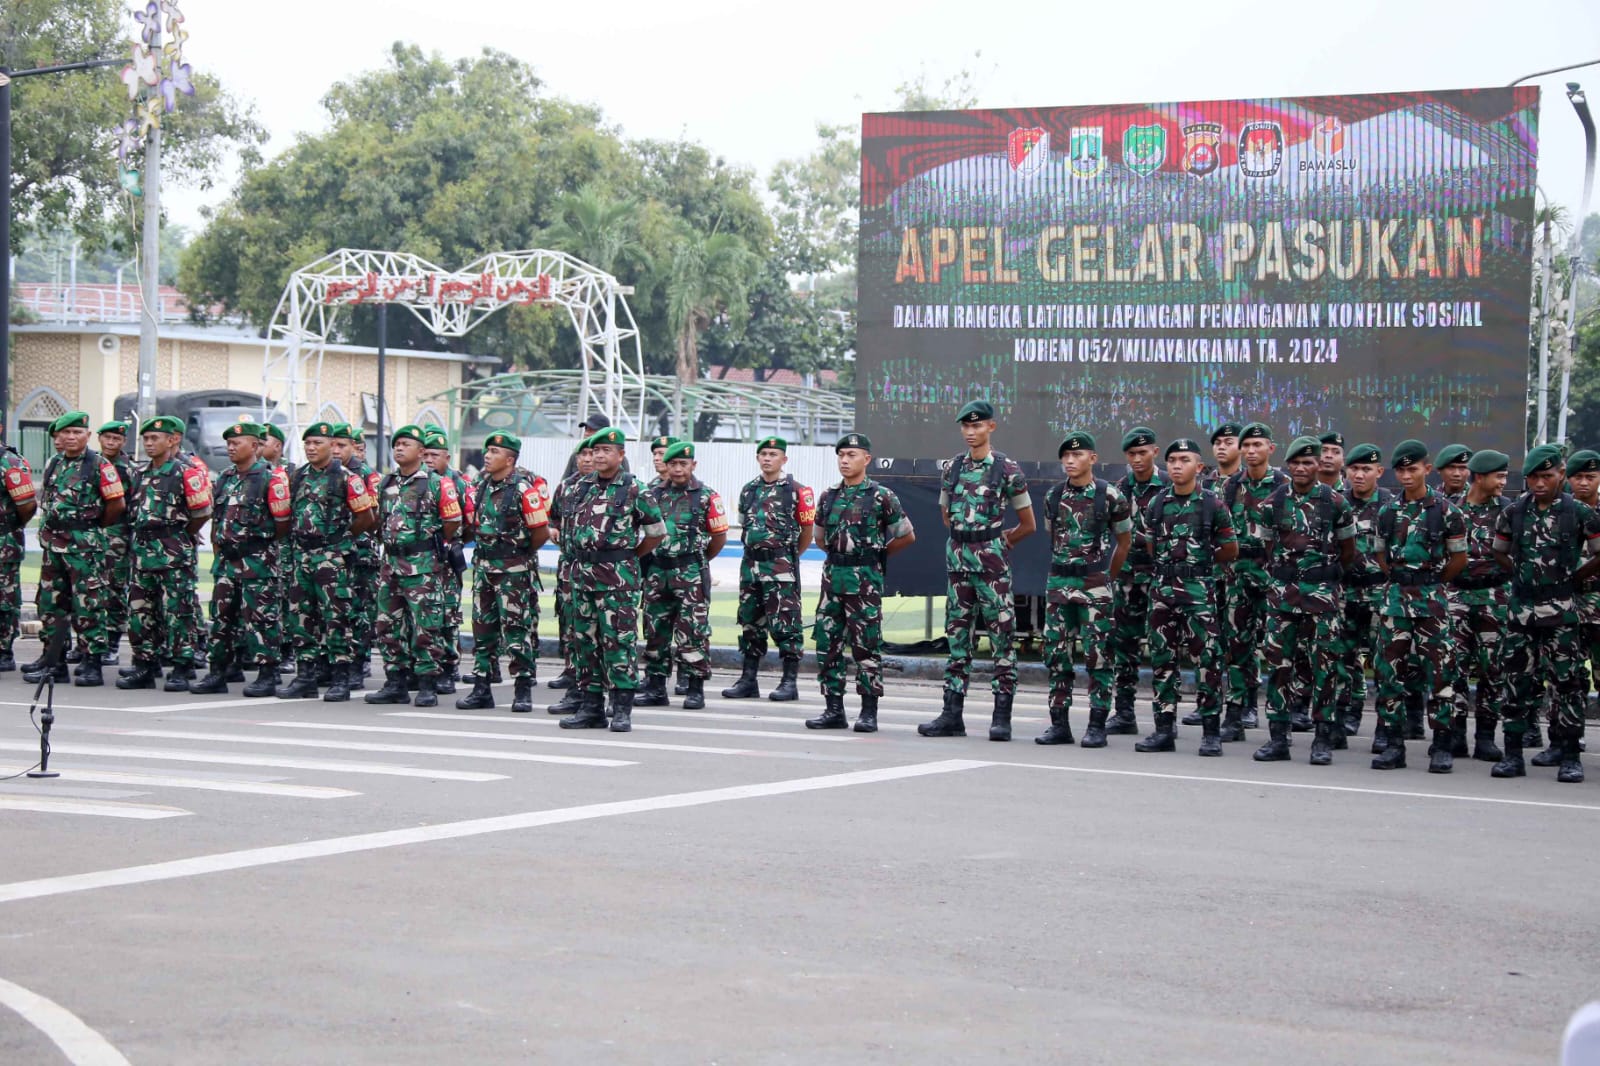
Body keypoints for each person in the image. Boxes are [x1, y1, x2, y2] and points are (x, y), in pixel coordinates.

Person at [920, 400, 1034, 741]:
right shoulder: (952, 467)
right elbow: (946, 515)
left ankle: (1002, 717)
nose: (971, 432)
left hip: (992, 568)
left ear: (991, 428)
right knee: (958, 638)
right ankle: (952, 714)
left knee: (1002, 639)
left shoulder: (1006, 469)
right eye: (966, 427)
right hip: (957, 564)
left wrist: (999, 541)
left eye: (978, 426)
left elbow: (1028, 523)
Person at [1489, 445, 1600, 782]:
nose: (1540, 483)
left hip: (1563, 613)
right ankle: (1512, 755)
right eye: (1534, 477)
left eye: (1547, 477)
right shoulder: (1513, 512)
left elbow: (1598, 552)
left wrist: (1573, 579)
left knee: (1568, 683)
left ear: (1560, 476)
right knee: (1516, 682)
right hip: (1522, 613)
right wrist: (1522, 576)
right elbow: (1499, 551)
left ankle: (1569, 756)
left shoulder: (1579, 513)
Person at [555, 426, 664, 732]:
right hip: (582, 577)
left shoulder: (634, 489)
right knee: (584, 642)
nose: (599, 456)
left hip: (617, 580)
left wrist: (629, 557)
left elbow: (656, 533)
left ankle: (621, 708)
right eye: (594, 451)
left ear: (620, 455)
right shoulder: (578, 488)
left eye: (606, 450)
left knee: (618, 642)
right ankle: (591, 707)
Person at [1253, 436, 1356, 764]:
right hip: (1283, 597)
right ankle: (1278, 737)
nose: (1301, 468)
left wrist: (1323, 577)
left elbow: (1348, 550)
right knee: (1279, 666)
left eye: (1307, 462)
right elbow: (1267, 548)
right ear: (1287, 466)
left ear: (1318, 465)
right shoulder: (1272, 503)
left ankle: (1322, 738)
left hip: (1322, 597)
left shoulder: (1336, 502)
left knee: (1324, 666)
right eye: (1295, 463)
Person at [1133, 438, 1238, 755]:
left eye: (1184, 460)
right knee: (1163, 661)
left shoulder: (1212, 505)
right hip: (1163, 593)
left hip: (1198, 592)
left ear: (1199, 467)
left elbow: (1231, 549)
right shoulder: (1156, 504)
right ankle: (1164, 729)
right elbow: (1150, 545)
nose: (1177, 466)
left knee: (1207, 661)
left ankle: (1210, 732)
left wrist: (1197, 567)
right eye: (1172, 460)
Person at [808, 432, 915, 732]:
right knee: (827, 645)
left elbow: (906, 534)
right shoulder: (829, 496)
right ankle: (833, 709)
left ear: (866, 459)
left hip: (865, 585)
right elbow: (819, 538)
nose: (844, 460)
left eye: (851, 455)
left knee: (866, 647)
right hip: (833, 583)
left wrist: (876, 558)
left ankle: (868, 711)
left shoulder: (882, 496)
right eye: (841, 455)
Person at [1371, 440, 1468, 772]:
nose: (1407, 475)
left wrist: (1431, 581)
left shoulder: (1446, 512)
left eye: (1413, 469)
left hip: (1432, 604)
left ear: (1427, 469)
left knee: (1440, 674)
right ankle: (1393, 744)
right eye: (1401, 470)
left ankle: (1441, 744)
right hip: (1396, 602)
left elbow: (1458, 559)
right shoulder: (1386, 511)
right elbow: (1380, 554)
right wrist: (1401, 578)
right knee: (1389, 674)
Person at [1039, 431, 1131, 747]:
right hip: (1059, 584)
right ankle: (1059, 724)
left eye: (1077, 455)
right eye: (1065, 456)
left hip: (1095, 585)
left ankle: (1096, 725)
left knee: (1099, 655)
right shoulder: (1053, 497)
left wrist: (1107, 577)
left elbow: (1124, 541)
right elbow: (1054, 537)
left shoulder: (1110, 496)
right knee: (1056, 655)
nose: (1070, 461)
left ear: (1092, 458)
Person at [278, 420, 378, 701]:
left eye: (317, 443)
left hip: (332, 557)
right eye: (307, 443)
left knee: (337, 617)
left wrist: (339, 539)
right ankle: (305, 675)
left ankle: (341, 677)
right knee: (301, 616)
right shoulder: (298, 476)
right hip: (303, 556)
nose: (311, 448)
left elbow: (366, 518)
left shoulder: (347, 478)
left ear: (332, 446)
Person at [364, 424, 462, 708]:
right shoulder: (387, 482)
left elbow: (452, 522)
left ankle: (427, 684)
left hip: (422, 567)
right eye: (396, 444)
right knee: (387, 625)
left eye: (405, 444)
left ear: (421, 452)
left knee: (426, 625)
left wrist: (427, 543)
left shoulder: (436, 483)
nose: (398, 448)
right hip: (391, 563)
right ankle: (395, 680)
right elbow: (378, 520)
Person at [191, 421, 290, 696]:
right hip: (227, 562)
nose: (231, 448)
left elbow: (282, 523)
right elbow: (217, 519)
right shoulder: (225, 478)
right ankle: (218, 672)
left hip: (257, 561)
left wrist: (259, 544)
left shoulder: (272, 480)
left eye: (237, 443)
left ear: (255, 446)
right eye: (229, 444)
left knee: (262, 619)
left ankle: (267, 673)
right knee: (222, 618)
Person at [27, 412, 126, 686]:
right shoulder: (54, 464)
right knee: (50, 603)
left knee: (88, 603)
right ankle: (55, 661)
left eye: (77, 433)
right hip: (53, 545)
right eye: (66, 433)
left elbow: (116, 505)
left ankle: (91, 661)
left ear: (87, 436)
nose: (71, 437)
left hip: (84, 547)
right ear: (58, 437)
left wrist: (89, 526)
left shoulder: (99, 465)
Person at [116, 416, 213, 692]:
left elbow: (201, 513)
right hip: (143, 553)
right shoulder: (140, 473)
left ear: (173, 440)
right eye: (146, 439)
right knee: (141, 611)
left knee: (177, 611)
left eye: (155, 438)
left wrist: (179, 536)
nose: (149, 443)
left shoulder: (187, 472)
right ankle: (144, 664)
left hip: (173, 552)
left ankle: (182, 666)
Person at [456, 431, 549, 712]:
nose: (487, 455)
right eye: (487, 450)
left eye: (495, 452)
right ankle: (482, 688)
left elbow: (540, 532)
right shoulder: (481, 485)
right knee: (482, 630)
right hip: (484, 569)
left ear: (510, 459)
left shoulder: (523, 489)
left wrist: (518, 555)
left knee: (516, 630)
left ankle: (522, 689)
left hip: (514, 571)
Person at [636, 441, 729, 710]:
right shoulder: (652, 494)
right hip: (657, 571)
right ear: (666, 466)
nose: (678, 469)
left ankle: (694, 686)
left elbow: (719, 538)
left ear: (693, 465)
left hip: (690, 573)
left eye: (683, 464)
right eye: (673, 464)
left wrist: (696, 560)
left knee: (693, 632)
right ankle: (655, 686)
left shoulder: (706, 496)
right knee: (655, 630)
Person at [723, 435, 816, 702]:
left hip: (780, 567)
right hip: (751, 566)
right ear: (757, 458)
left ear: (783, 459)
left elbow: (806, 531)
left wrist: (787, 557)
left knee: (786, 623)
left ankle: (789, 681)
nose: (767, 459)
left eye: (773, 455)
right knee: (750, 622)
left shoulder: (797, 490)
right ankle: (748, 679)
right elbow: (744, 525)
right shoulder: (749, 489)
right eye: (763, 454)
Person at [1448, 448, 1510, 763]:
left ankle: (1486, 736)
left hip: (1494, 599)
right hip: (1456, 598)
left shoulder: (1510, 512)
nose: (1503, 481)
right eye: (1498, 476)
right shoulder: (1450, 510)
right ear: (1481, 477)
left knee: (1493, 669)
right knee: (1453, 668)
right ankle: (1455, 733)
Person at [1223, 422, 1285, 732]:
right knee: (1238, 645)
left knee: (1276, 647)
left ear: (1270, 449)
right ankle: (1239, 708)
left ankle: (1279, 713)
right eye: (1245, 445)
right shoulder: (1231, 486)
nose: (1250, 451)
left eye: (1257, 445)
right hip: (1239, 577)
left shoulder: (1284, 486)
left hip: (1274, 577)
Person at [1107, 426, 1167, 737]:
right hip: (1129, 579)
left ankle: (1164, 716)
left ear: (1155, 452)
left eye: (1143, 452)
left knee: (1163, 648)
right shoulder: (1119, 489)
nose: (1138, 459)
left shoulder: (1170, 485)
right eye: (1132, 454)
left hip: (1162, 579)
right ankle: (1125, 712)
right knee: (1124, 646)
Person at [1334, 444, 1391, 739]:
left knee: (1383, 662)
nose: (1359, 475)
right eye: (1354, 469)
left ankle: (1385, 725)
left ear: (1378, 472)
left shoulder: (1391, 505)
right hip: (1345, 594)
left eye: (1366, 469)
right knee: (1343, 660)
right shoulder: (1337, 504)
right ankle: (1346, 716)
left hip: (1380, 593)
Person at [544, 441, 595, 707]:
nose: (587, 459)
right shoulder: (566, 487)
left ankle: (598, 687)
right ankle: (572, 673)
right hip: (569, 565)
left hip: (603, 571)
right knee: (570, 621)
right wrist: (553, 531)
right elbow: (552, 518)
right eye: (582, 454)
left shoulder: (616, 487)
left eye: (591, 454)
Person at [424, 428, 474, 694]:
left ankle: (449, 664)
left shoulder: (460, 483)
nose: (430, 460)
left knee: (447, 613)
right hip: (420, 560)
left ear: (447, 457)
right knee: (423, 615)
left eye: (435, 455)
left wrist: (453, 542)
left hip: (445, 558)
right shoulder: (418, 481)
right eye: (426, 454)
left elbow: (470, 522)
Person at [336, 424, 382, 686]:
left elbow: (373, 517)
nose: (335, 450)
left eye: (342, 445)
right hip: (333, 552)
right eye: (333, 444)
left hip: (359, 551)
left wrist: (349, 536)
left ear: (354, 447)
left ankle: (359, 661)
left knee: (358, 608)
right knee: (334, 609)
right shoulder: (327, 472)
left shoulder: (364, 474)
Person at [95, 420, 135, 668]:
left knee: (114, 590)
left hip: (118, 536)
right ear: (99, 438)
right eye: (107, 438)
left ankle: (111, 643)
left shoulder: (128, 470)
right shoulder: (91, 463)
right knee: (90, 591)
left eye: (116, 439)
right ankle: (90, 642)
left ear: (123, 442)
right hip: (91, 536)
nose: (111, 443)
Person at [1566, 450, 1600, 724]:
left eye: (1591, 476)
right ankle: (1567, 739)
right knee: (1568, 676)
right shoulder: (1559, 512)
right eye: (1578, 477)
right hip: (1568, 605)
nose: (1584, 483)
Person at [0, 433, 35, 673]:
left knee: (4, 598)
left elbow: (27, 504)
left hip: (3, 540)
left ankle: (3, 650)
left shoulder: (10, 463)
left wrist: (11, 528)